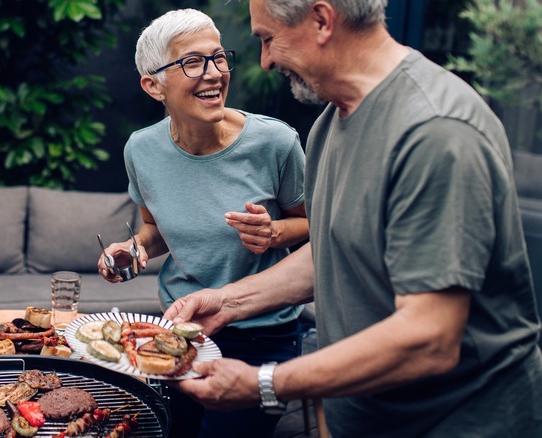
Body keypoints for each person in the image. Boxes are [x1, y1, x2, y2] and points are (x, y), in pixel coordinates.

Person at [163, 0, 542, 437]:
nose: (265, 62)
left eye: (268, 39)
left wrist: (265, 383)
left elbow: (429, 338)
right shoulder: (332, 121)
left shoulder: (436, 132)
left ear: (322, 20)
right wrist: (226, 302)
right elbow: (331, 249)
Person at [96, 8, 309, 437]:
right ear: (153, 85)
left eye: (219, 57)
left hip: (261, 333)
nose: (214, 74)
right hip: (178, 331)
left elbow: (314, 229)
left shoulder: (276, 142)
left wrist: (274, 234)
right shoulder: (141, 150)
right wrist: (134, 249)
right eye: (192, 62)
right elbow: (155, 230)